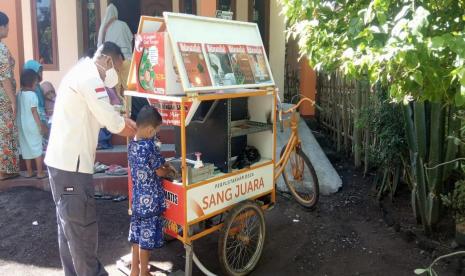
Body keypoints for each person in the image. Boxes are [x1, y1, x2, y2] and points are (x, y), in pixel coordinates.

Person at [45, 42, 136, 276]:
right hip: (71, 169)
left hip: (61, 163)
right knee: (81, 227)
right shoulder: (91, 78)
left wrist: (119, 118)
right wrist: (137, 130)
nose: (117, 73)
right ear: (107, 60)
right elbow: (113, 122)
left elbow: (104, 112)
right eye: (118, 66)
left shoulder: (79, 71)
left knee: (68, 228)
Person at [128, 105, 176, 276]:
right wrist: (169, 170)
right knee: (146, 240)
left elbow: (144, 166)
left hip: (138, 197)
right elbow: (159, 171)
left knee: (136, 236)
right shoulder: (149, 146)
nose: (156, 134)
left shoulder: (132, 143)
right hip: (150, 200)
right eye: (156, 130)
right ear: (149, 130)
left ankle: (134, 269)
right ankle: (144, 272)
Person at [17, 69, 47, 178]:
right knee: (37, 147)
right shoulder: (32, 95)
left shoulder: (18, 94)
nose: (37, 85)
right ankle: (39, 172)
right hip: (32, 125)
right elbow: (34, 111)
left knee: (26, 148)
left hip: (21, 126)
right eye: (36, 83)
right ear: (32, 83)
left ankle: (29, 171)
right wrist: (40, 126)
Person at [0, 11, 19, 180]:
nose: (8, 29)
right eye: (6, 26)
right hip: (3, 98)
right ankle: (4, 171)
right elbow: (4, 77)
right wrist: (13, 101)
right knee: (5, 132)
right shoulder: (1, 48)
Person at [23, 60, 47, 125]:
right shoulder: (31, 91)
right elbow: (34, 109)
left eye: (41, 71)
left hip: (42, 115)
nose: (41, 74)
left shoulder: (38, 86)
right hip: (38, 118)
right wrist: (41, 125)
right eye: (38, 71)